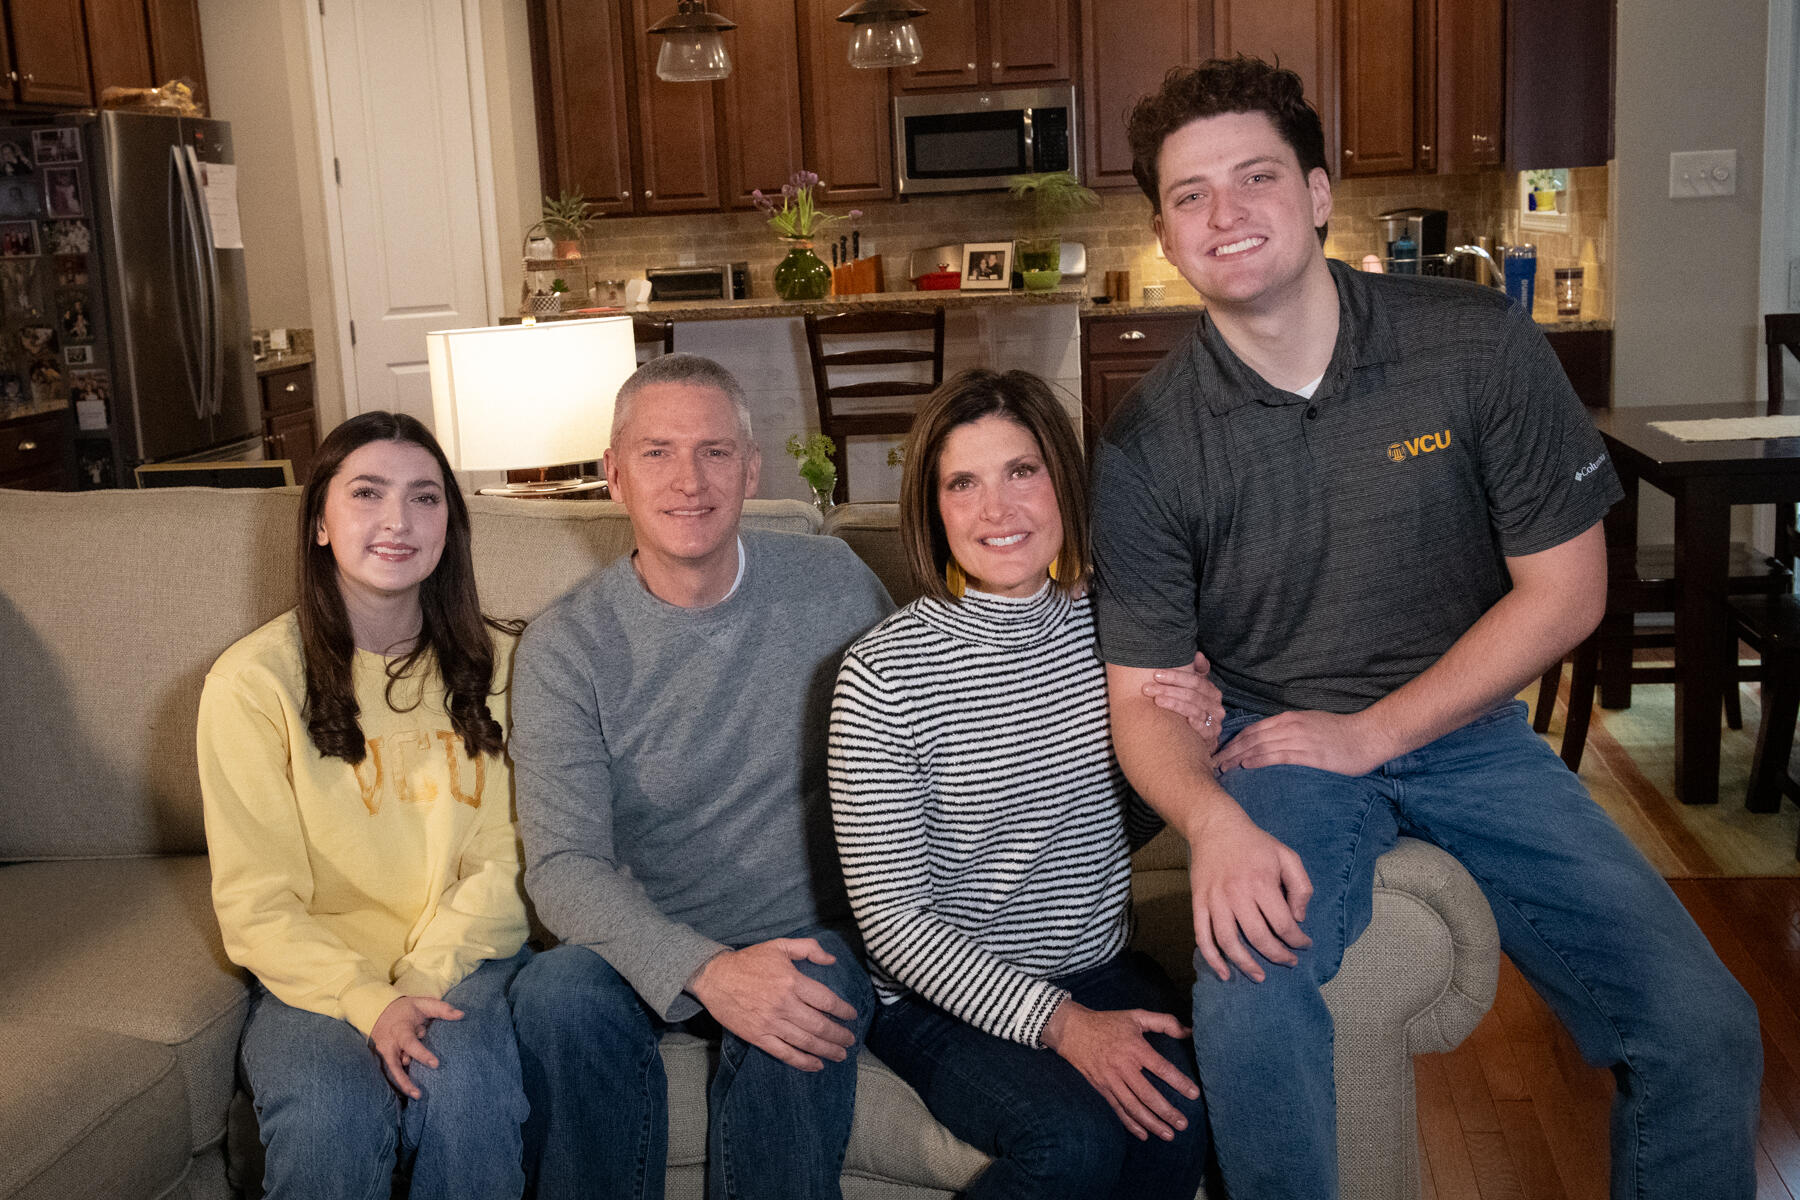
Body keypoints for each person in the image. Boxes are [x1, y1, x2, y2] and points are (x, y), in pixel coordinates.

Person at [1090, 56, 1761, 1198]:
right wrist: (1211, 821)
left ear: (1316, 192)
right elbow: (1139, 700)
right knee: (1250, 1009)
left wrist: (1372, 733)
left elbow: (1567, 590)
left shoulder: (1473, 345)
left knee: (1705, 1028)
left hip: (1467, 730)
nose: (1226, 213)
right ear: (1164, 234)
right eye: (1191, 195)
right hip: (1275, 741)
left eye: (1255, 177)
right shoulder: (1149, 441)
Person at [506, 353, 893, 1200]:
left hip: (810, 932)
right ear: (614, 476)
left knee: (803, 999)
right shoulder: (566, 648)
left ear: (752, 471)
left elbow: (935, 721)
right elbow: (564, 869)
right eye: (657, 452)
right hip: (642, 941)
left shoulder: (834, 587)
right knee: (553, 994)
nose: (690, 479)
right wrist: (709, 972)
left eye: (716, 452)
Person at [828, 369, 1216, 1199]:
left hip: (1099, 965)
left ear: (1064, 486)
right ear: (933, 509)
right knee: (1071, 1144)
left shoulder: (1118, 632)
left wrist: (1192, 748)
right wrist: (1064, 1026)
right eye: (962, 483)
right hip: (940, 1000)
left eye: (1021, 472)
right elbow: (893, 923)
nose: (995, 509)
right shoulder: (883, 675)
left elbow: (1108, 830)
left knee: (1174, 1127)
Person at [197, 411, 532, 1199]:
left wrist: (416, 981)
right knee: (327, 1120)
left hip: (468, 960)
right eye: (367, 494)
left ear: (451, 523)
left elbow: (510, 860)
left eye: (424, 498)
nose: (396, 521)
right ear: (319, 521)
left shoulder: (508, 664)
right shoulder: (251, 684)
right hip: (315, 977)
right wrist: (367, 1001)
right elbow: (258, 902)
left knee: (469, 1097)